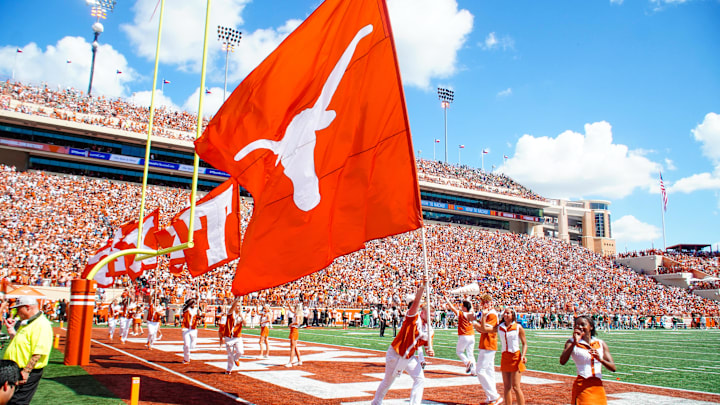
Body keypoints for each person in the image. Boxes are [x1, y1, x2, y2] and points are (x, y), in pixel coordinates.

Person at [371, 281, 434, 405]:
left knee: (420, 378)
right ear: (422, 313)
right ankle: (376, 402)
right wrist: (422, 287)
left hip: (408, 357)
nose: (432, 317)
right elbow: (416, 303)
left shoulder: (430, 330)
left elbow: (427, 347)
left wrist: (430, 351)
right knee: (388, 381)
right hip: (396, 353)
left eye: (433, 315)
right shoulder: (413, 319)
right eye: (429, 315)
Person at [2, 297, 53, 405]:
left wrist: (26, 371)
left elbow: (39, 352)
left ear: (27, 308)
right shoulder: (28, 322)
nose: (17, 312)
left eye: (18, 309)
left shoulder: (41, 324)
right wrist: (11, 330)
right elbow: (22, 343)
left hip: (24, 371)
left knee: (17, 401)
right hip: (15, 369)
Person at [559, 315, 616, 405]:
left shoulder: (600, 343)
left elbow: (613, 368)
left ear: (591, 327)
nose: (579, 327)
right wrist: (575, 342)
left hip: (598, 386)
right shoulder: (571, 342)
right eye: (577, 325)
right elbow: (562, 361)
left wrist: (600, 360)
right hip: (582, 385)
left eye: (583, 324)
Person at [473, 293, 502, 405]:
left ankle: (494, 396)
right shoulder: (487, 313)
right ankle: (491, 397)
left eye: (487, 302)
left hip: (488, 344)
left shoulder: (492, 314)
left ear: (491, 303)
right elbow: (481, 329)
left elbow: (484, 329)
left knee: (480, 371)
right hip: (486, 344)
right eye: (484, 302)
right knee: (489, 372)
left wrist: (474, 322)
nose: (485, 304)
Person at [498, 307, 527, 405]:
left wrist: (523, 356)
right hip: (505, 357)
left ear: (513, 315)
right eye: (505, 313)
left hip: (515, 357)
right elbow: (485, 329)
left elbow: (524, 344)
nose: (506, 315)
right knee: (506, 387)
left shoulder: (518, 327)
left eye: (508, 313)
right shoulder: (500, 327)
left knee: (516, 386)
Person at [444, 295, 476, 375]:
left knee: (459, 351)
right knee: (470, 353)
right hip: (472, 335)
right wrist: (468, 299)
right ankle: (474, 371)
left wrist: (447, 300)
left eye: (462, 306)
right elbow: (471, 307)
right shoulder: (471, 313)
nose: (461, 307)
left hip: (464, 335)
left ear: (465, 308)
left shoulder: (462, 314)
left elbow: (452, 308)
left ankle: (467, 362)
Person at [222, 298, 245, 374]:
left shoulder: (242, 314)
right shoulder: (230, 313)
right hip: (229, 336)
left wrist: (242, 317)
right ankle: (229, 369)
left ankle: (236, 358)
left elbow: (245, 324)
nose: (238, 307)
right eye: (237, 306)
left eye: (239, 306)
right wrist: (237, 299)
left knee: (240, 351)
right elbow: (232, 307)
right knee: (230, 354)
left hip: (237, 336)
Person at [285, 302, 303, 367]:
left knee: (292, 347)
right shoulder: (296, 313)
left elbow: (297, 322)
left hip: (294, 330)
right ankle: (299, 360)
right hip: (293, 330)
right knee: (295, 347)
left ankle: (290, 362)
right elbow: (291, 310)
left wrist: (291, 324)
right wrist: (289, 305)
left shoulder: (297, 315)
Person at [181, 298, 199, 364]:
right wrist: (190, 303)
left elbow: (200, 316)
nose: (193, 304)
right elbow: (184, 309)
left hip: (193, 329)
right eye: (192, 303)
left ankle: (186, 350)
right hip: (186, 328)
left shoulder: (197, 310)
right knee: (187, 345)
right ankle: (186, 359)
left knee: (193, 345)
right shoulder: (186, 309)